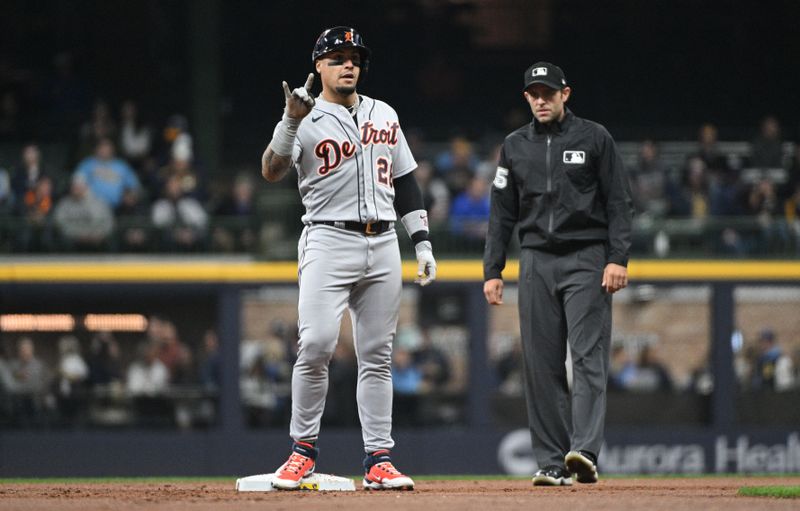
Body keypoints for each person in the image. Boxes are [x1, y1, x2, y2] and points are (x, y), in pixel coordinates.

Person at [260, 26, 436, 491]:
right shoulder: (305, 113)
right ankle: (302, 452)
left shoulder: (384, 113)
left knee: (377, 356)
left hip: (382, 244)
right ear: (318, 66)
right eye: (337, 57)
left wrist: (421, 242)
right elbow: (272, 170)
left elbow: (406, 181)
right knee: (316, 344)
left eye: (354, 56)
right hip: (327, 238)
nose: (348, 63)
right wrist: (290, 120)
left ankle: (379, 459)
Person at [483, 62, 633, 487]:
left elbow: (620, 201)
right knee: (540, 364)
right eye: (534, 93)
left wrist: (617, 257)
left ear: (566, 94)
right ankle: (551, 462)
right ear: (526, 97)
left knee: (587, 358)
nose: (541, 99)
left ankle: (583, 452)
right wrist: (493, 270)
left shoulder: (594, 137)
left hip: (587, 256)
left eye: (549, 92)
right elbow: (501, 214)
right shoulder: (514, 146)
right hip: (535, 260)